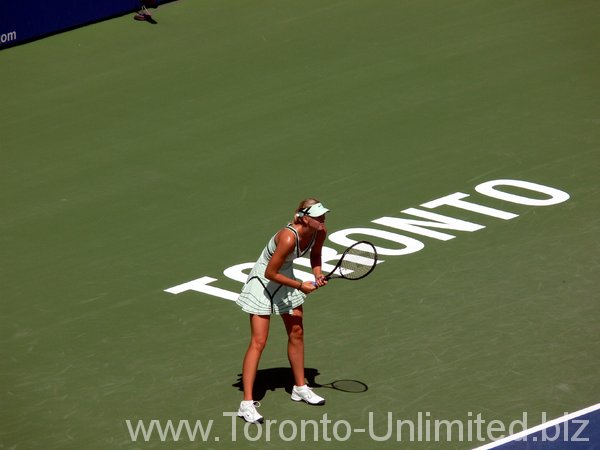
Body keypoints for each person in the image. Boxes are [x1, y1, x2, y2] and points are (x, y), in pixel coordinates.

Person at [235, 198, 330, 424]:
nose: (323, 218)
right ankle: (246, 404)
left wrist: (317, 273)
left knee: (296, 332)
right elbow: (269, 272)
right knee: (259, 341)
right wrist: (301, 286)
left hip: (285, 279)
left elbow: (315, 255)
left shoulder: (320, 231)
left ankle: (300, 387)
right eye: (318, 216)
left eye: (323, 214)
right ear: (305, 218)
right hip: (263, 283)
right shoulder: (288, 237)